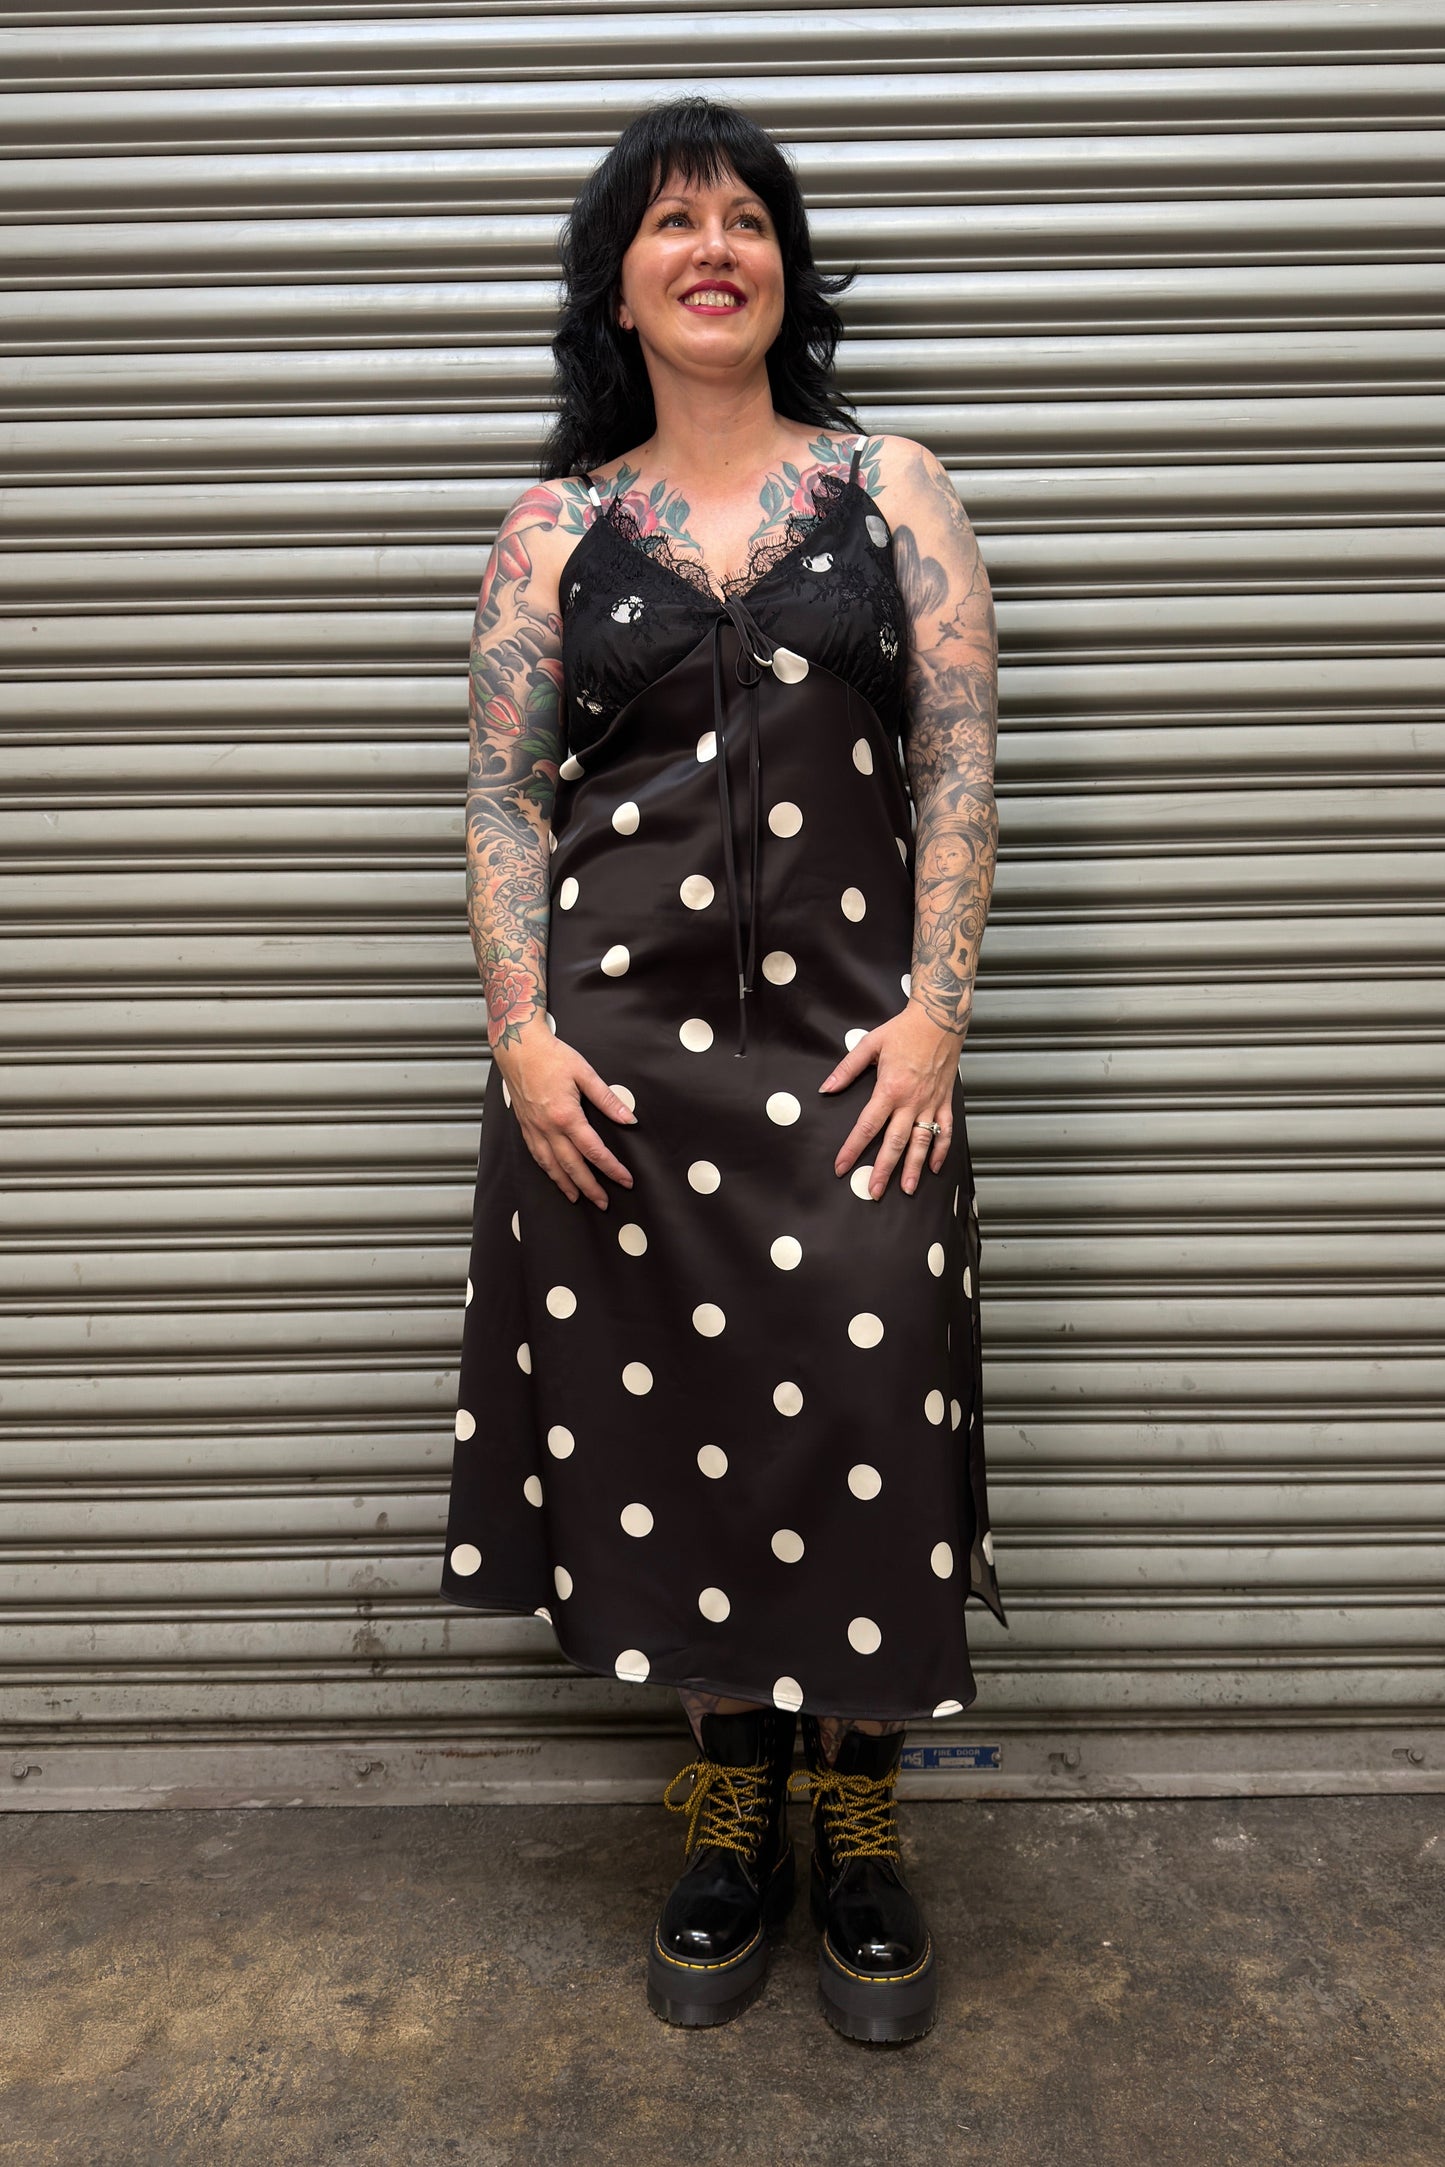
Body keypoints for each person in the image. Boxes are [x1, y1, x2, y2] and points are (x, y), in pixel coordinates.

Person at [440, 94, 1006, 2046]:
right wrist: (522, 1037)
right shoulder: (557, 531)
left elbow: (957, 777)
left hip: (860, 1060)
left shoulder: (894, 492)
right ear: (619, 280)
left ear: (786, 269)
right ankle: (726, 1804)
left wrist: (936, 1012)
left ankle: (857, 1814)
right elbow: (503, 803)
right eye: (671, 219)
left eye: (745, 217)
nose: (711, 245)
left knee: (864, 1390)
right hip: (619, 1074)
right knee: (669, 1415)